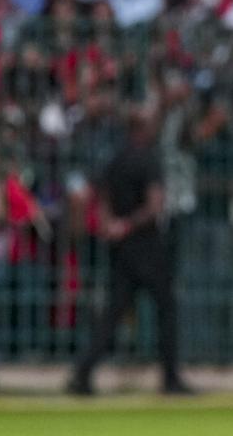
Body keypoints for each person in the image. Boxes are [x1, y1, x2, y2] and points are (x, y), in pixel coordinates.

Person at [68, 107, 190, 396]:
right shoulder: (149, 160)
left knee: (114, 312)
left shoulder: (116, 159)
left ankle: (83, 373)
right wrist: (128, 224)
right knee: (166, 308)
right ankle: (170, 378)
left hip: (122, 248)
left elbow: (102, 196)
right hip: (146, 244)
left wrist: (112, 224)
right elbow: (155, 205)